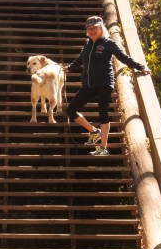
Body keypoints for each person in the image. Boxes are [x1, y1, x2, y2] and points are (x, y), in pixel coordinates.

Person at [63, 15, 151, 156]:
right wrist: (69, 68)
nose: (92, 31)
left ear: (101, 28)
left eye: (95, 28)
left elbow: (123, 57)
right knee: (70, 110)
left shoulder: (108, 43)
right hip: (88, 84)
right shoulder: (87, 43)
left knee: (103, 113)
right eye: (89, 28)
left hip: (104, 82)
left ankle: (103, 148)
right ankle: (94, 131)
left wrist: (140, 67)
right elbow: (80, 59)